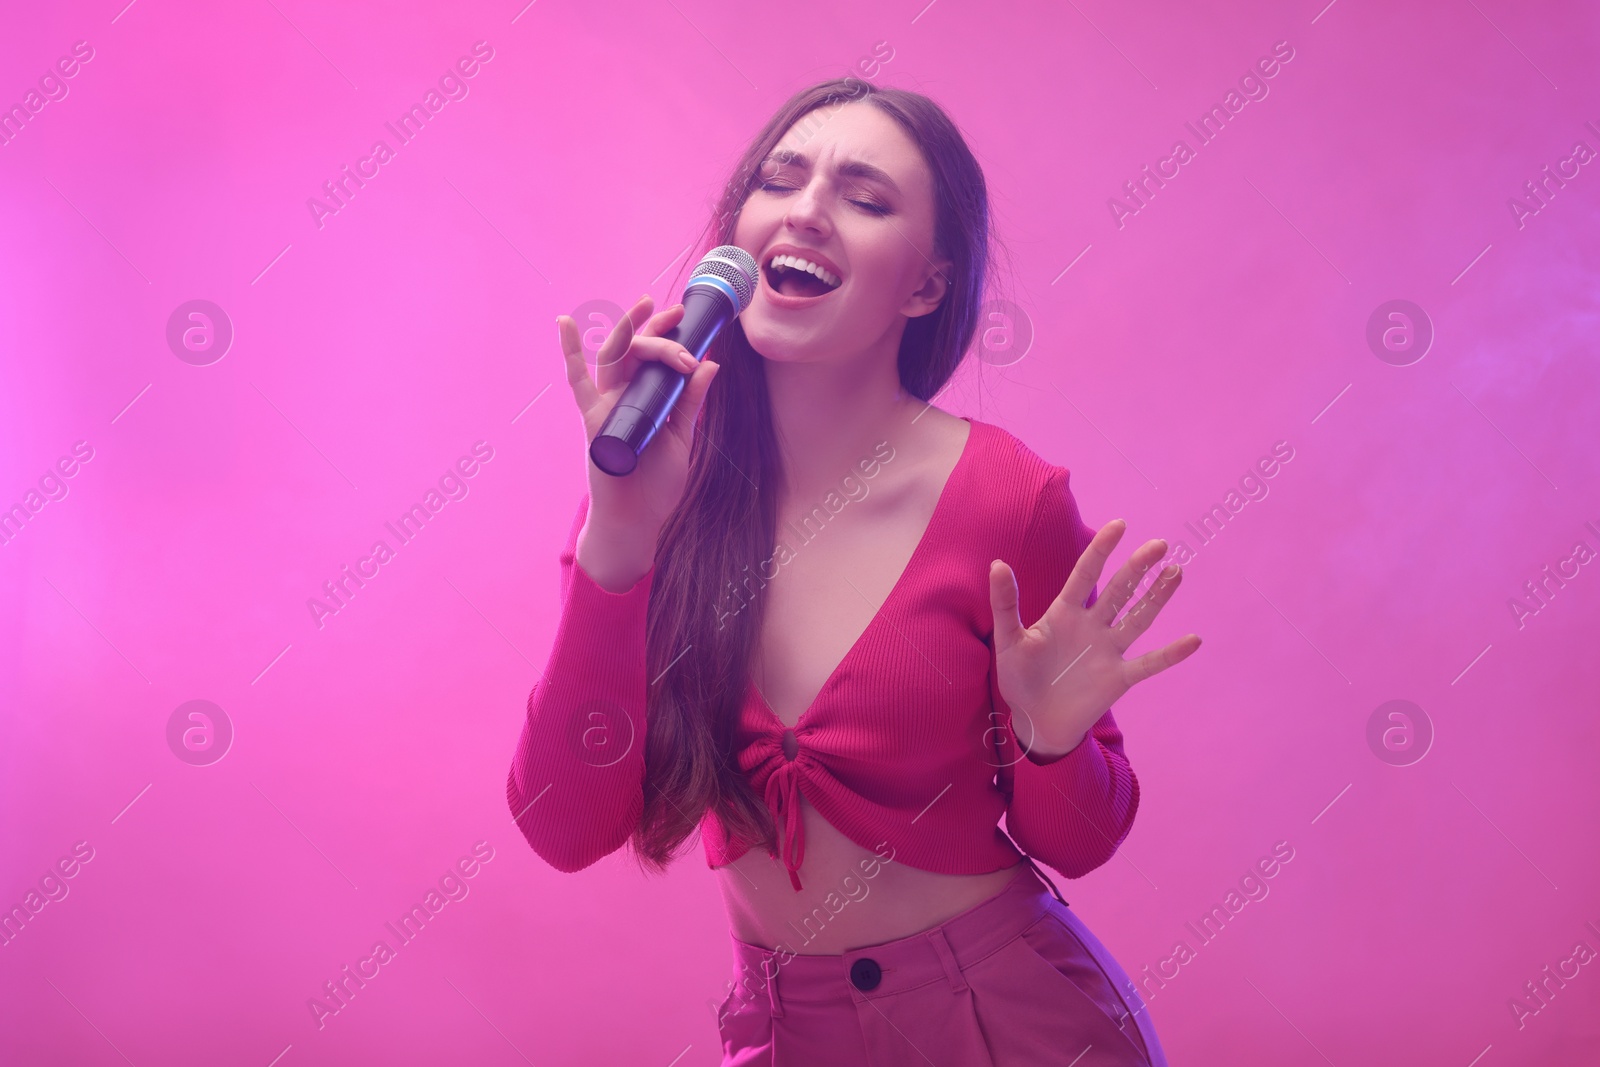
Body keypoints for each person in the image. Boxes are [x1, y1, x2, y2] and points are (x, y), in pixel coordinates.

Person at [507, 77, 1201, 1066]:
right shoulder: (656, 482)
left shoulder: (1011, 498)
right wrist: (617, 534)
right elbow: (563, 825)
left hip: (1009, 1022)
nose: (806, 211)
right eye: (779, 180)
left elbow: (1083, 837)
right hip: (787, 1034)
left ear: (924, 285)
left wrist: (1054, 741)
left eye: (864, 199)